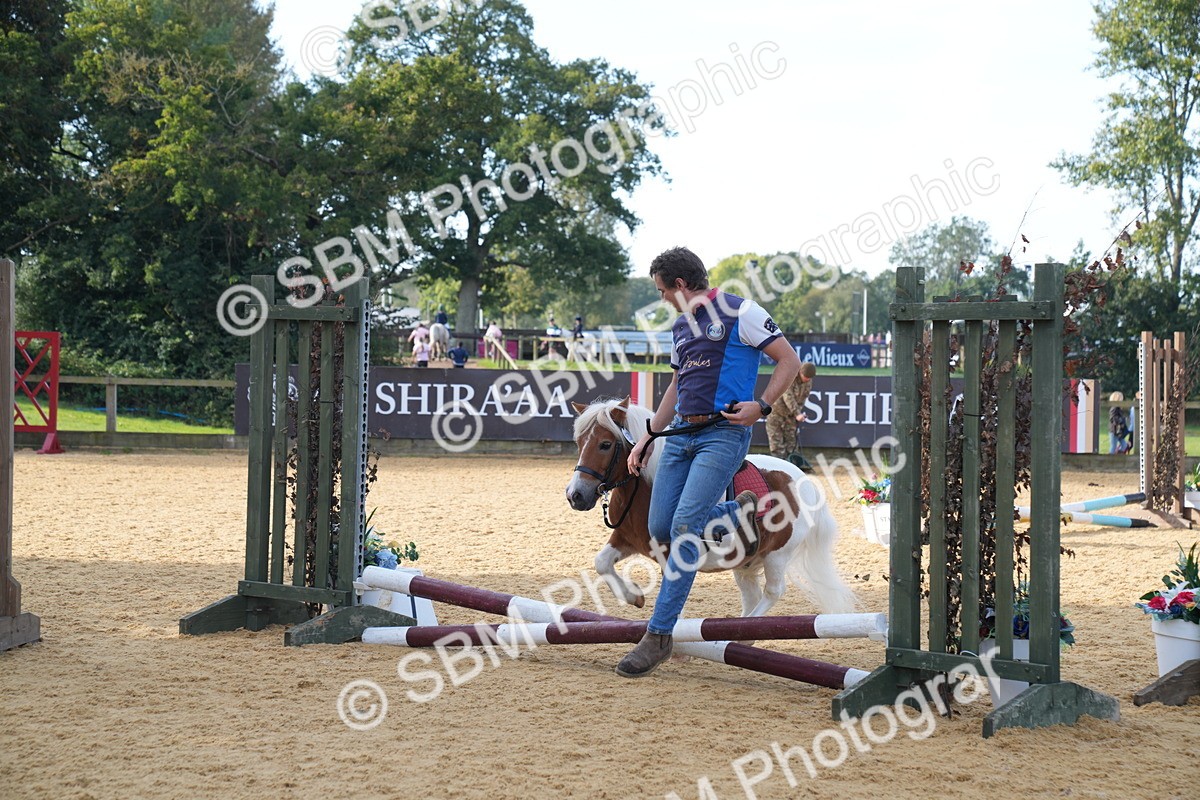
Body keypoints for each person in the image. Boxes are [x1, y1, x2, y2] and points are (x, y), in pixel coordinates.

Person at [619, 246, 801, 678]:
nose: (662, 299)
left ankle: (659, 635)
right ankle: (735, 512)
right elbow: (676, 385)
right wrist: (649, 436)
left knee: (683, 528)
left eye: (663, 290)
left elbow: (789, 360)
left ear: (681, 285)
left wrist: (762, 405)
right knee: (659, 528)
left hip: (723, 434)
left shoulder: (745, 312)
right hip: (681, 434)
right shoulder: (682, 326)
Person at [767, 361, 817, 460]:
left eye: (809, 378)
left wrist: (797, 414)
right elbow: (788, 397)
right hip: (777, 413)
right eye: (805, 377)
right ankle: (779, 468)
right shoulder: (790, 377)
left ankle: (791, 467)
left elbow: (803, 398)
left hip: (791, 416)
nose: (807, 379)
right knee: (777, 445)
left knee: (792, 444)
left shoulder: (808, 381)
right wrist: (797, 413)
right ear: (800, 373)